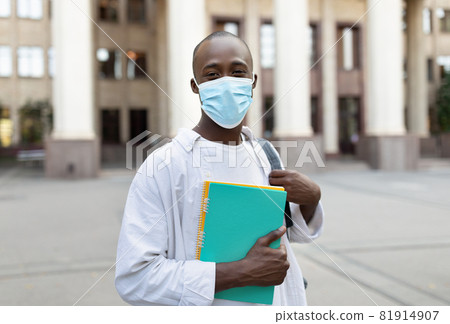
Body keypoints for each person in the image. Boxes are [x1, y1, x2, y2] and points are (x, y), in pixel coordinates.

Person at [115, 31, 324, 306]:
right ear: (195, 85)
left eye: (238, 72)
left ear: (253, 82)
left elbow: (287, 233)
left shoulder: (265, 153)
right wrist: (238, 273)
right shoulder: (165, 165)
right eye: (212, 75)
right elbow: (135, 278)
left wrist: (311, 200)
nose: (226, 82)